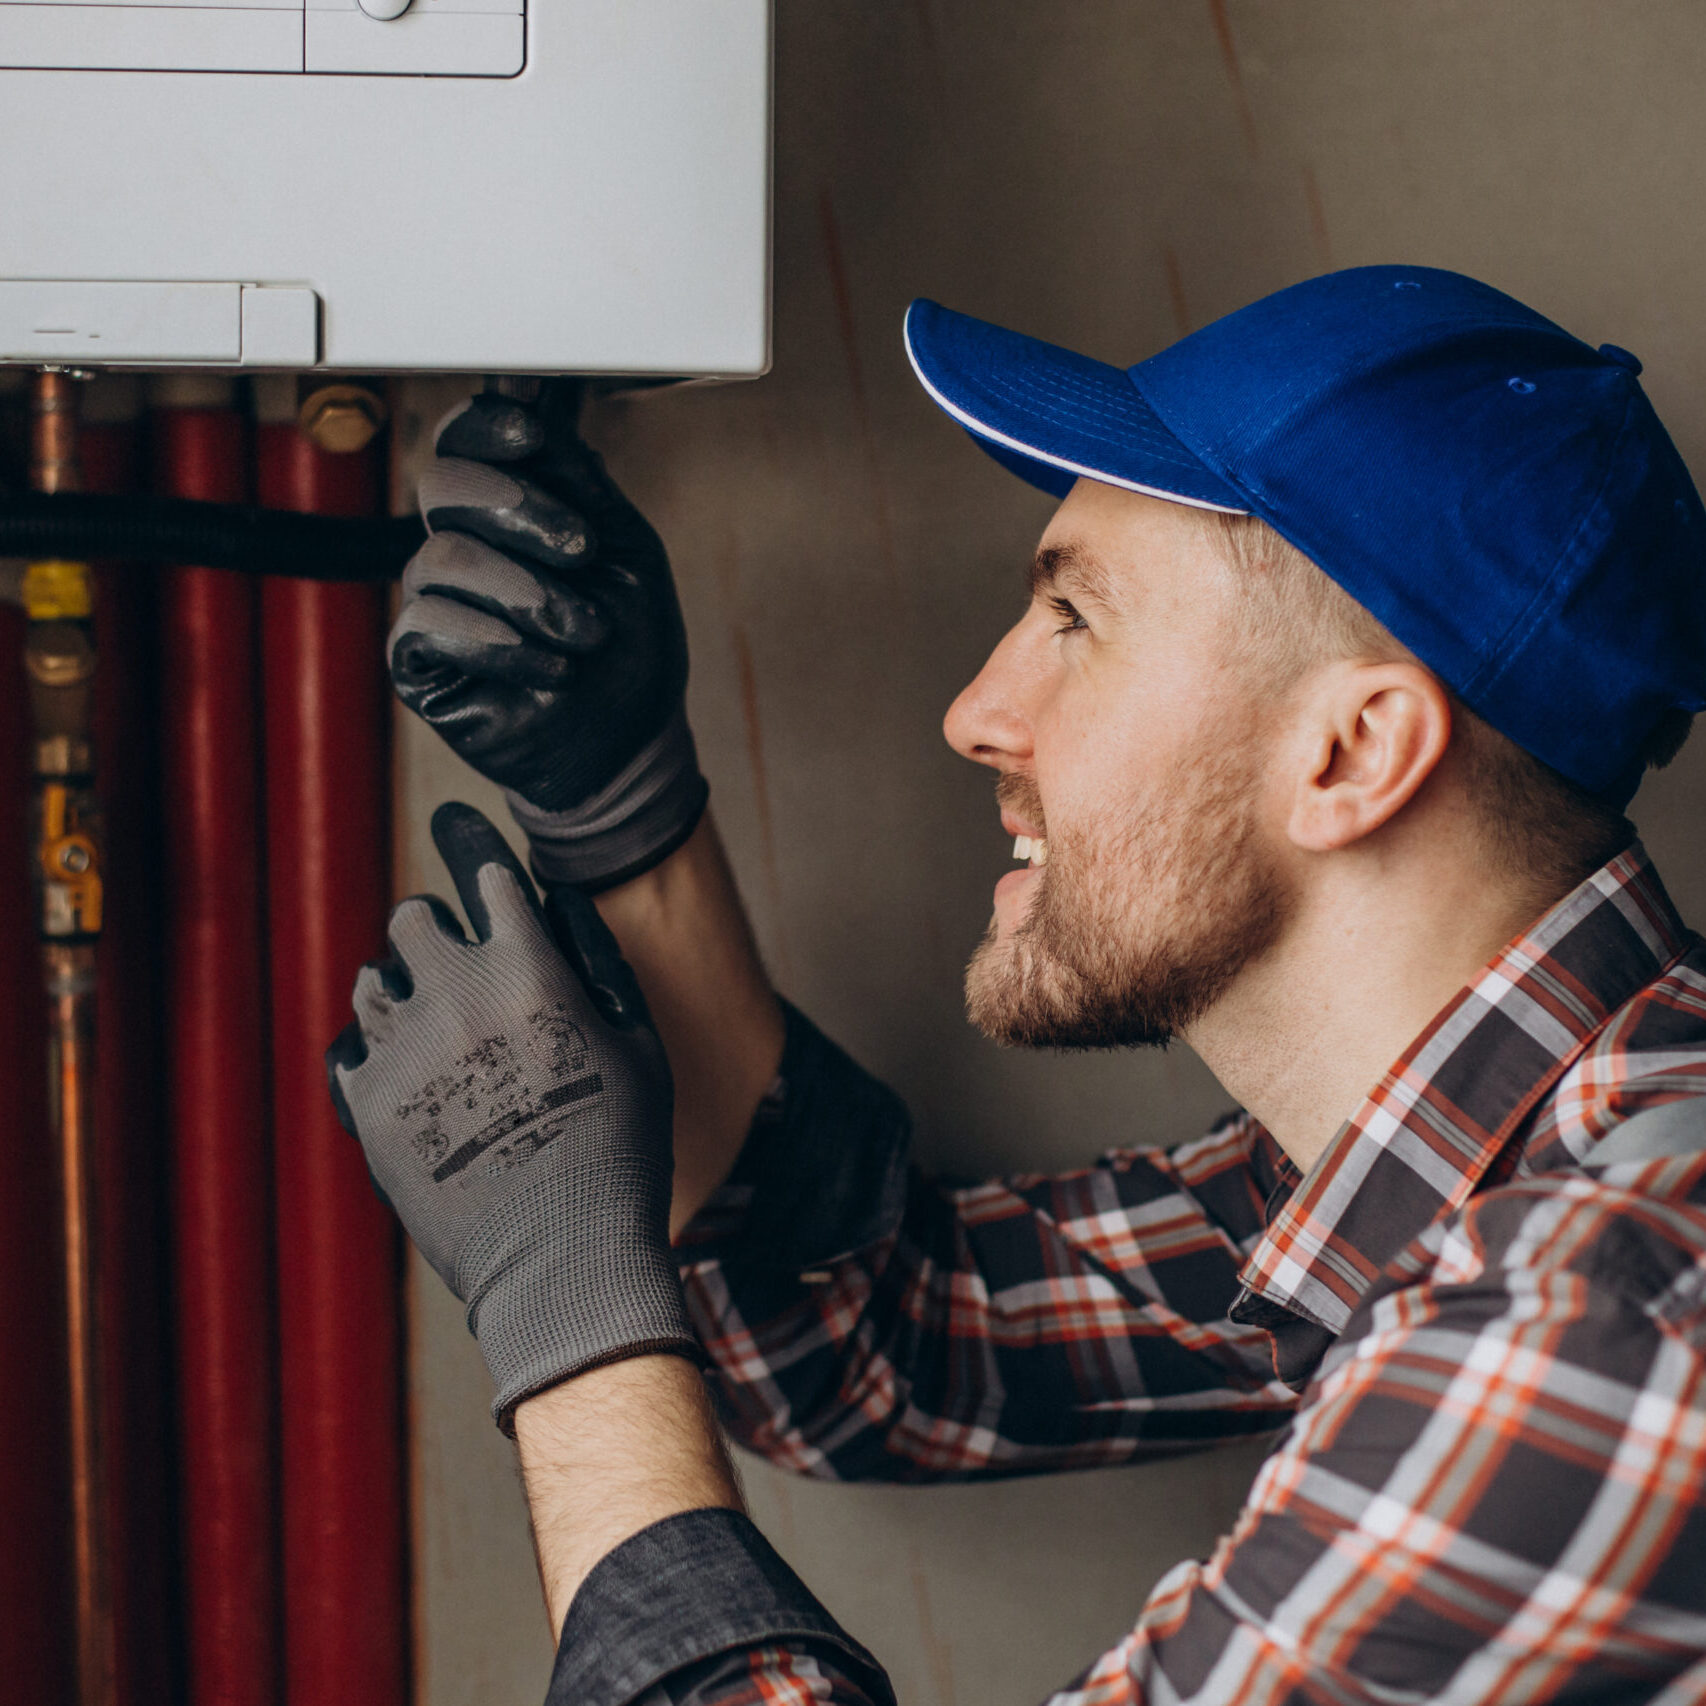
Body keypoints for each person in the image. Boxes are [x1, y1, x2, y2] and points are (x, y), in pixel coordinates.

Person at [329, 266, 1706, 1705]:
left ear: (1351, 755)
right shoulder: (1451, 1154)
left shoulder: (1600, 1314)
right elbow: (881, 1342)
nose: (975, 711)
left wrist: (565, 1306)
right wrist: (622, 811)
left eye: (1074, 622)